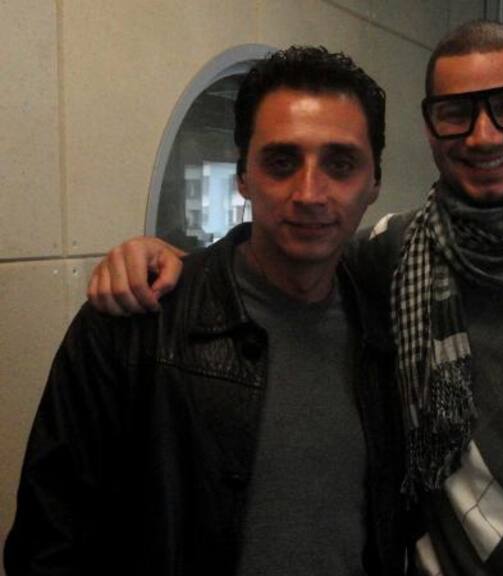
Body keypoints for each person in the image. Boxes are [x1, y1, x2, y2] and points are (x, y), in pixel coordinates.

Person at [83, 21, 503, 576]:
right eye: (457, 113)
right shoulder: (394, 254)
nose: (483, 136)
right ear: (431, 130)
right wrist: (174, 261)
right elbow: (290, 247)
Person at [4, 46, 406, 576]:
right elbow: (48, 546)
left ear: (374, 182)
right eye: (281, 162)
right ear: (243, 177)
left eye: (341, 164)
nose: (310, 193)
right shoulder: (136, 326)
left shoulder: (391, 331)